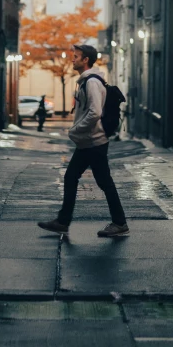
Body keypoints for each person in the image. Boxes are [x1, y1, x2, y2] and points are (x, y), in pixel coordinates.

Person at [37, 44, 129, 238]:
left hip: (94, 141)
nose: (72, 60)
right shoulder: (86, 81)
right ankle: (63, 221)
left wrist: (75, 130)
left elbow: (95, 112)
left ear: (85, 59)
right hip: (88, 142)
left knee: (102, 181)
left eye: (76, 57)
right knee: (76, 178)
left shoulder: (92, 82)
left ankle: (119, 223)